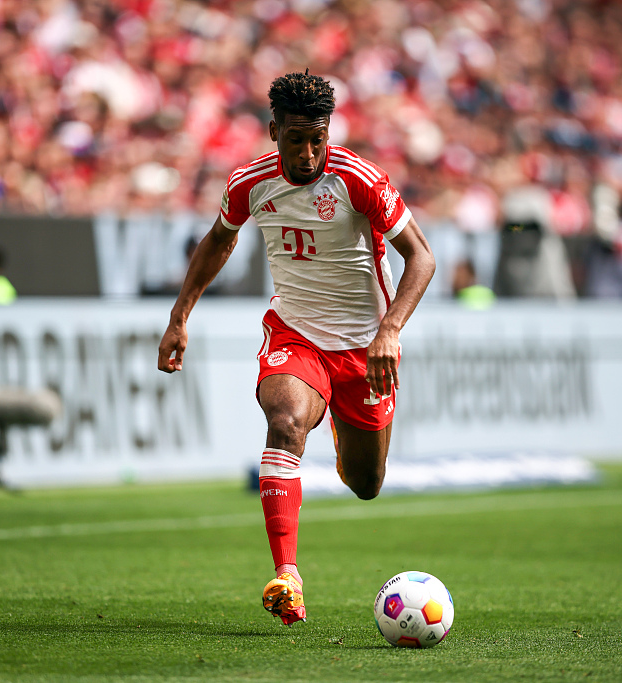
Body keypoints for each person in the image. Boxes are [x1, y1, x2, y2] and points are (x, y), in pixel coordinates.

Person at [157, 72, 435, 626]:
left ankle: (338, 422)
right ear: (273, 131)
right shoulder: (248, 183)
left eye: (318, 138)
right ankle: (287, 574)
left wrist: (390, 331)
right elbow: (219, 239)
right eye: (295, 139)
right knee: (284, 421)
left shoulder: (359, 178)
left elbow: (421, 257)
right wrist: (179, 317)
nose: (308, 153)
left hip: (363, 348)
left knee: (365, 483)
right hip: (295, 334)